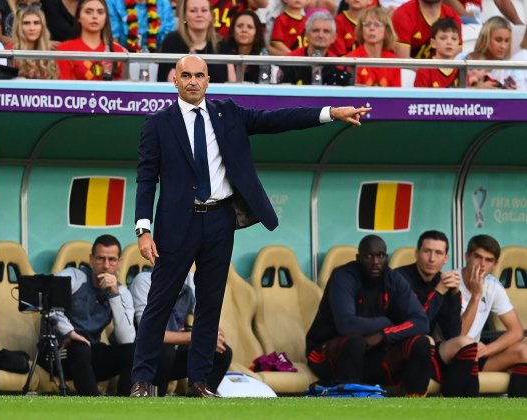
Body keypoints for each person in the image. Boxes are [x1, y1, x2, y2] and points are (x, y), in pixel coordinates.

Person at [130, 54, 370, 398]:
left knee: (211, 303)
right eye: (186, 75)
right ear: (175, 80)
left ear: (208, 80)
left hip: (219, 219)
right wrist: (143, 229)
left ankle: (200, 382)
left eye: (199, 75)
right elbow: (146, 178)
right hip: (175, 223)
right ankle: (141, 380)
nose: (193, 81)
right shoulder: (158, 124)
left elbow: (277, 120)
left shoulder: (228, 113)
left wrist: (330, 113)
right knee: (160, 301)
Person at [305, 235, 432, 396]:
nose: (375, 262)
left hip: (375, 354)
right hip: (326, 354)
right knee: (355, 342)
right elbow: (347, 325)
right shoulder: (344, 277)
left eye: (380, 256)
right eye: (369, 256)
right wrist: (385, 322)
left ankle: (415, 403)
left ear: (386, 257)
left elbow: (421, 322)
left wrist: (383, 335)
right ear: (358, 258)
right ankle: (349, 400)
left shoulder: (393, 279)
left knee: (421, 342)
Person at [40, 234, 136, 396]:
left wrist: (114, 294)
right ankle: (93, 405)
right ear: (91, 259)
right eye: (100, 259)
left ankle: (125, 405)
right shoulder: (72, 277)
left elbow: (126, 339)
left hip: (90, 353)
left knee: (133, 351)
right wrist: (70, 332)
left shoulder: (122, 292)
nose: (106, 266)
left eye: (112, 260)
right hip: (58, 352)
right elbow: (50, 307)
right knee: (80, 347)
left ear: (119, 263)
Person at [395, 230, 478, 397]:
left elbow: (453, 333)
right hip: (402, 349)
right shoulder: (399, 278)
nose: (432, 259)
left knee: (467, 343)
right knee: (425, 341)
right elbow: (416, 325)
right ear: (417, 253)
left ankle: (455, 403)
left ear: (446, 258)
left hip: (431, 350)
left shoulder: (444, 282)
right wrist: (439, 292)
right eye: (427, 251)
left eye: (438, 253)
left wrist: (454, 295)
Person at [129, 270, 232, 396]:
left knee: (221, 352)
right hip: (144, 356)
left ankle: (200, 401)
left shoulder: (191, 280)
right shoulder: (144, 280)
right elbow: (147, 334)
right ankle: (153, 401)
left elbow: (211, 325)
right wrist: (195, 336)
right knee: (165, 352)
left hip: (174, 354)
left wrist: (213, 336)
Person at [459, 234, 527, 397]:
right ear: (467, 256)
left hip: (476, 354)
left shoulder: (494, 286)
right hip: (452, 354)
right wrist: (476, 295)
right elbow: (458, 335)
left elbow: (516, 331)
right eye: (477, 257)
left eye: (489, 260)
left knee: (524, 352)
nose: (482, 265)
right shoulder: (451, 281)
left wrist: (488, 349)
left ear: (495, 265)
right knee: (465, 346)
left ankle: (516, 411)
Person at [157, 0, 227, 83]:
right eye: (193, 11)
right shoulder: (171, 41)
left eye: (204, 10)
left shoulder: (221, 44)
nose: (199, 15)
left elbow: (231, 84)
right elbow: (163, 80)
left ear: (211, 15)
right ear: (184, 16)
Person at [56, 0, 126, 81]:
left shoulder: (117, 51)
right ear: (78, 17)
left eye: (100, 12)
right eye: (88, 12)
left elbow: (122, 90)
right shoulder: (65, 49)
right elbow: (62, 89)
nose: (95, 16)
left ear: (106, 17)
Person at [281, 10, 351, 86]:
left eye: (326, 31)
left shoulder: (340, 67)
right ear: (306, 35)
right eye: (316, 31)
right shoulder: (289, 62)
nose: (320, 35)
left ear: (334, 37)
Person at [345, 7, 401, 87]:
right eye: (367, 25)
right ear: (361, 30)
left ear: (386, 31)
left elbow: (397, 95)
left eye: (377, 25)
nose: (372, 28)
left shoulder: (393, 61)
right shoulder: (352, 58)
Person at [392, 0, 462, 59]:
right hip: (409, 72)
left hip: (437, 70)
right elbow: (403, 61)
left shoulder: (452, 15)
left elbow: (455, 54)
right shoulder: (403, 14)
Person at [467, 16, 521, 90]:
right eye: (498, 40)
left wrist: (513, 93)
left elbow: (522, 97)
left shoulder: (511, 69)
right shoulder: (465, 59)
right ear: (486, 38)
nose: (503, 46)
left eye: (507, 40)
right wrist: (474, 89)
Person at [8, 4, 58, 79]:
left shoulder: (53, 52)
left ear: (43, 26)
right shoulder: (9, 52)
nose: (32, 28)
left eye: (36, 23)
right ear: (18, 27)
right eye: (26, 23)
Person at [107, 0, 174, 52]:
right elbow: (113, 40)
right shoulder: (115, 2)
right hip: (123, 60)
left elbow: (167, 43)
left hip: (155, 61)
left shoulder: (164, 4)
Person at [218, 9, 265, 83]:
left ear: (257, 33)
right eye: (240, 26)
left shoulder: (263, 57)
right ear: (233, 31)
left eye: (249, 27)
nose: (244, 30)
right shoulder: (221, 53)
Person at [414, 18, 461, 88]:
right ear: (433, 43)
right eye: (443, 38)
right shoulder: (424, 70)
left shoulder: (462, 71)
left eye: (454, 39)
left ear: (458, 43)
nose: (449, 42)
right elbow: (420, 98)